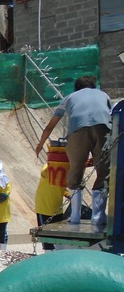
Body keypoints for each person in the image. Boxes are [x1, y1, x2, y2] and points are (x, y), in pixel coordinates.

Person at [35, 75, 112, 226]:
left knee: (75, 170)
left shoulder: (69, 98)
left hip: (78, 131)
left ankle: (75, 215)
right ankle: (99, 216)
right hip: (103, 129)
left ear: (76, 88)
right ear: (93, 86)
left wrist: (40, 144)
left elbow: (51, 125)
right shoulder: (104, 95)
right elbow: (112, 115)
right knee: (103, 172)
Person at [34, 163, 69, 251]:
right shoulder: (48, 166)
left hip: (57, 208)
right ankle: (47, 254)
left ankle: (59, 255)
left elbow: (62, 187)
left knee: (58, 235)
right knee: (45, 235)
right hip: (44, 206)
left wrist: (68, 194)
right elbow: (44, 172)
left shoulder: (65, 170)